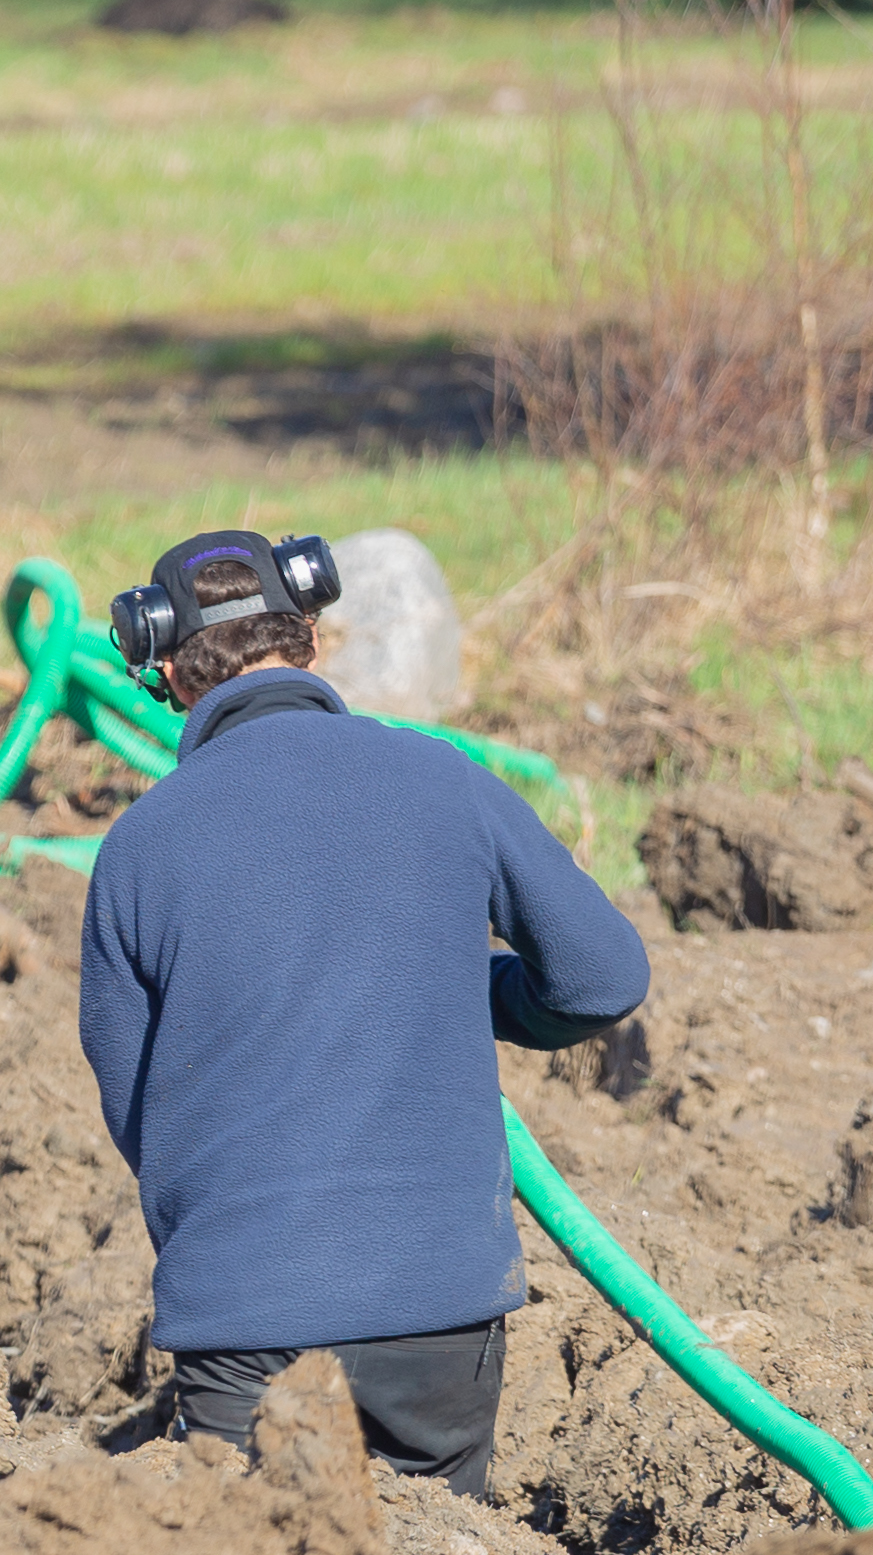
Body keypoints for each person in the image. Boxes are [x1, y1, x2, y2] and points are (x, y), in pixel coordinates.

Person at [73, 527, 649, 1493]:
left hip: (241, 1314)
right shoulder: (445, 779)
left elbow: (139, 1109)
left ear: (162, 668)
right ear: (312, 634)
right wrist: (481, 992)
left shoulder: (137, 847)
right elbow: (602, 978)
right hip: (437, 1304)